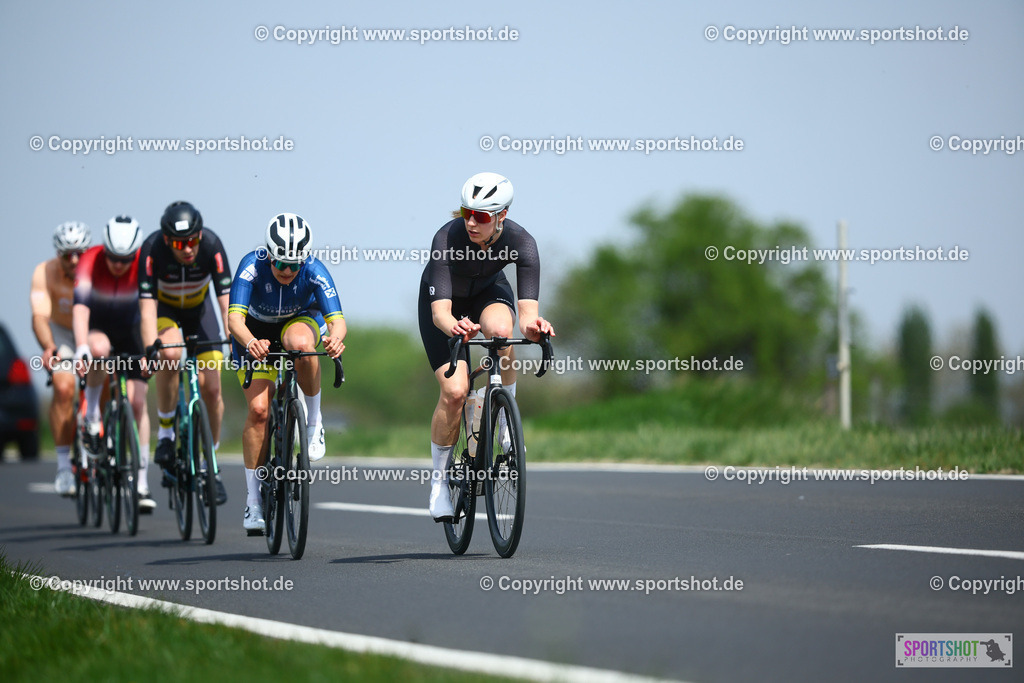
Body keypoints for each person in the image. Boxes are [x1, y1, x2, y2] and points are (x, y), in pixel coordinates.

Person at [419, 172, 555, 521]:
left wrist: (535, 328)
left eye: (480, 216)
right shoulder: (446, 238)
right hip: (444, 306)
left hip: (487, 294)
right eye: (466, 213)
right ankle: (439, 483)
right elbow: (440, 314)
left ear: (502, 215)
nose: (471, 223)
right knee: (454, 391)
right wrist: (455, 326)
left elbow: (527, 316)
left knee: (501, 331)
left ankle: (506, 418)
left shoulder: (521, 242)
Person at [228, 213, 345, 534]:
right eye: (281, 264)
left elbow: (337, 321)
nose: (288, 271)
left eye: (295, 265)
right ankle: (253, 502)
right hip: (255, 333)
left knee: (303, 345)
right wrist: (250, 342)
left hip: (298, 322)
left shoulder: (314, 270)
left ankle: (314, 422)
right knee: (259, 411)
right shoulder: (251, 266)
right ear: (269, 254)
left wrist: (335, 339)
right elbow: (234, 320)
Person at [140, 201, 230, 505]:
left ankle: (210, 465)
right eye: (180, 244)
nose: (188, 249)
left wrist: (235, 339)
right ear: (167, 240)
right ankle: (166, 432)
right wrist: (150, 347)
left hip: (199, 311)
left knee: (212, 390)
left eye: (193, 241)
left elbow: (227, 302)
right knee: (169, 354)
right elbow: (147, 308)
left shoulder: (212, 245)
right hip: (165, 311)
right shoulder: (151, 249)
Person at [72, 216, 155, 513]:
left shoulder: (145, 262)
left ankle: (142, 483)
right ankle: (92, 413)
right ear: (104, 249)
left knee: (138, 403)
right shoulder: (90, 260)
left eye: (126, 259)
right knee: (99, 349)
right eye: (113, 258)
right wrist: (81, 347)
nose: (119, 265)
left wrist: (150, 349)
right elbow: (80, 309)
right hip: (99, 327)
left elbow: (149, 309)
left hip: (132, 329)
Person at [30, 222, 91, 496]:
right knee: (64, 387)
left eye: (80, 253)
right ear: (58, 254)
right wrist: (49, 347)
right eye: (67, 255)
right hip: (62, 333)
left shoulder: (98, 268)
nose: (74, 260)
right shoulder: (44, 272)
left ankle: (102, 433)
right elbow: (39, 317)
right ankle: (65, 466)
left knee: (110, 378)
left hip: (92, 330)